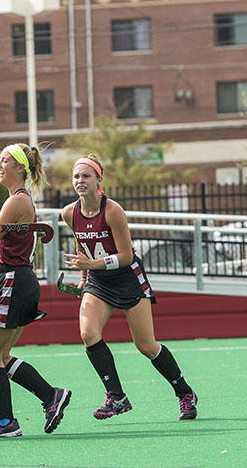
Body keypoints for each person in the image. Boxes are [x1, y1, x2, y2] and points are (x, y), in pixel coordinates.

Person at [61, 154, 198, 421]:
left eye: (86, 176)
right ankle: (116, 396)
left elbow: (125, 255)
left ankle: (184, 392)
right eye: (76, 176)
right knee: (88, 333)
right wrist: (84, 275)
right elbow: (82, 243)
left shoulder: (113, 211)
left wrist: (93, 263)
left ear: (99, 179)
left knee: (146, 345)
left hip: (127, 280)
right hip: (99, 282)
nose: (80, 181)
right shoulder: (69, 213)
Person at [0, 143, 72, 438]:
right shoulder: (19, 200)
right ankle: (51, 397)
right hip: (16, 278)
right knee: (3, 354)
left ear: (19, 167)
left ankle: (7, 422)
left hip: (13, 281)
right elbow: (10, 245)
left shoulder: (17, 201)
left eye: (4, 160)